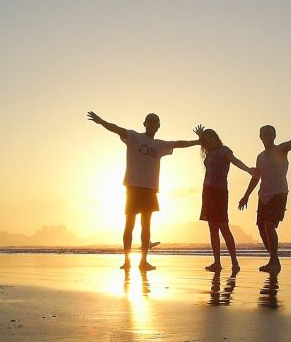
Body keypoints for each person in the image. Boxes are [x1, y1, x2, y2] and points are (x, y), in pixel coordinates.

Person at [87, 111, 200, 270]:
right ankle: (127, 261)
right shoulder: (134, 137)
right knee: (129, 224)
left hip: (150, 189)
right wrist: (100, 121)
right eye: (150, 121)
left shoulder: (160, 145)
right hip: (133, 187)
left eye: (156, 122)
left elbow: (178, 143)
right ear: (145, 123)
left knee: (146, 226)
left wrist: (198, 141)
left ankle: (143, 261)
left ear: (159, 126)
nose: (153, 124)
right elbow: (116, 129)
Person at [239, 106, 291, 273]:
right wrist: (246, 196)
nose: (267, 137)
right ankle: (274, 260)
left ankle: (274, 261)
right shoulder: (260, 156)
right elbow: (256, 177)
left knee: (270, 226)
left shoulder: (281, 149)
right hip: (263, 195)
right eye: (265, 134)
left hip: (279, 194)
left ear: (275, 136)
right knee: (261, 229)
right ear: (260, 137)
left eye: (270, 134)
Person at [194, 125, 255, 272]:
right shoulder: (208, 153)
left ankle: (235, 262)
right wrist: (201, 136)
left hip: (219, 192)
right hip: (207, 191)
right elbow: (204, 144)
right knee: (212, 229)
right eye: (206, 140)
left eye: (210, 138)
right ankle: (217, 262)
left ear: (216, 138)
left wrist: (248, 169)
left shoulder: (224, 151)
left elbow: (235, 160)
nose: (208, 142)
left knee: (223, 227)